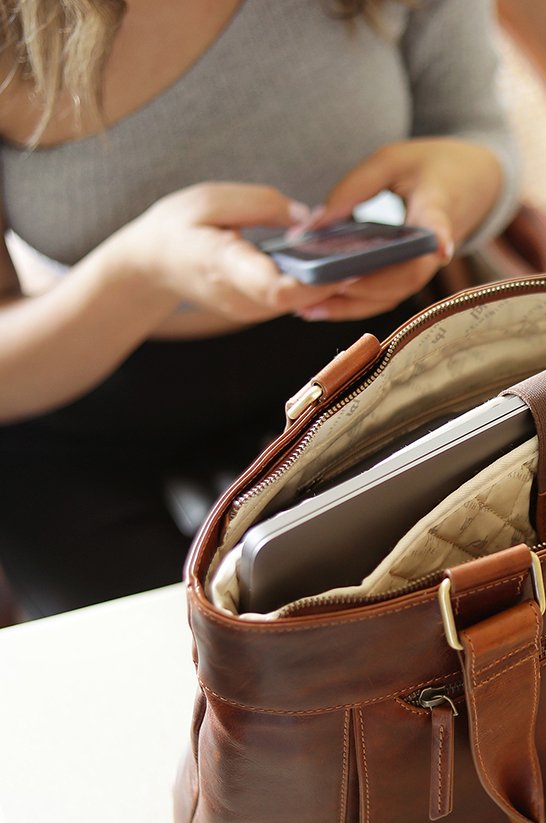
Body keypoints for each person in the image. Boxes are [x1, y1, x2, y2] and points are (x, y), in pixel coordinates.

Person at [0, 0, 519, 618]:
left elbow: (475, 128)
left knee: (441, 624)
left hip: (365, 362)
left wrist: (456, 194)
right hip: (74, 407)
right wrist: (137, 275)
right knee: (159, 679)